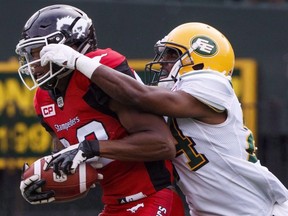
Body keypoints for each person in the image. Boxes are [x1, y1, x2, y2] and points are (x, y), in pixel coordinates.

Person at [40, 22, 288, 215]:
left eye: (171, 55)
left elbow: (138, 95)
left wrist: (78, 60)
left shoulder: (214, 84)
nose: (163, 62)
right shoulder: (173, 94)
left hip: (260, 210)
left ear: (202, 57)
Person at [15, 4, 185, 215]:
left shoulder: (101, 72)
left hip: (152, 197)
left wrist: (91, 147)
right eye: (29, 56)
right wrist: (43, 183)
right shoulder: (43, 99)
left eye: (39, 52)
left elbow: (162, 145)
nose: (33, 65)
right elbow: (82, 176)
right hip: (113, 207)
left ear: (70, 45)